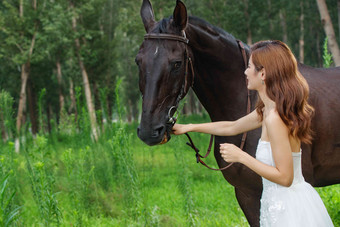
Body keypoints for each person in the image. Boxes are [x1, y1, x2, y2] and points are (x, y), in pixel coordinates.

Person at [172, 40, 334, 227]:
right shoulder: (267, 110)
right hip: (275, 203)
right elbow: (231, 127)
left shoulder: (275, 118)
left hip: (289, 210)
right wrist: (188, 127)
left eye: (249, 67)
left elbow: (286, 177)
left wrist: (241, 156)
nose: (245, 72)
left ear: (263, 73)